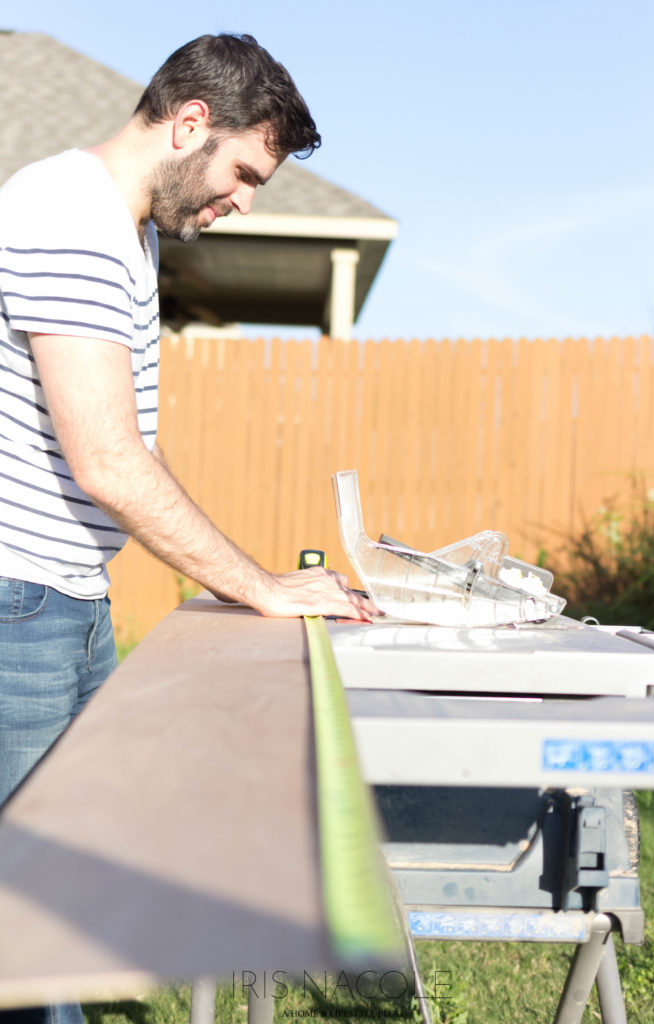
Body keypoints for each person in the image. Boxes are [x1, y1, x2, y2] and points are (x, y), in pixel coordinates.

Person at [0, 34, 377, 1021]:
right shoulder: (68, 214)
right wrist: (254, 585)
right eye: (246, 173)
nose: (245, 200)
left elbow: (133, 451)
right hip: (16, 609)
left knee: (55, 912)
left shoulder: (130, 230)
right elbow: (108, 461)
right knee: (27, 926)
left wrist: (238, 575)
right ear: (189, 124)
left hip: (65, 599)